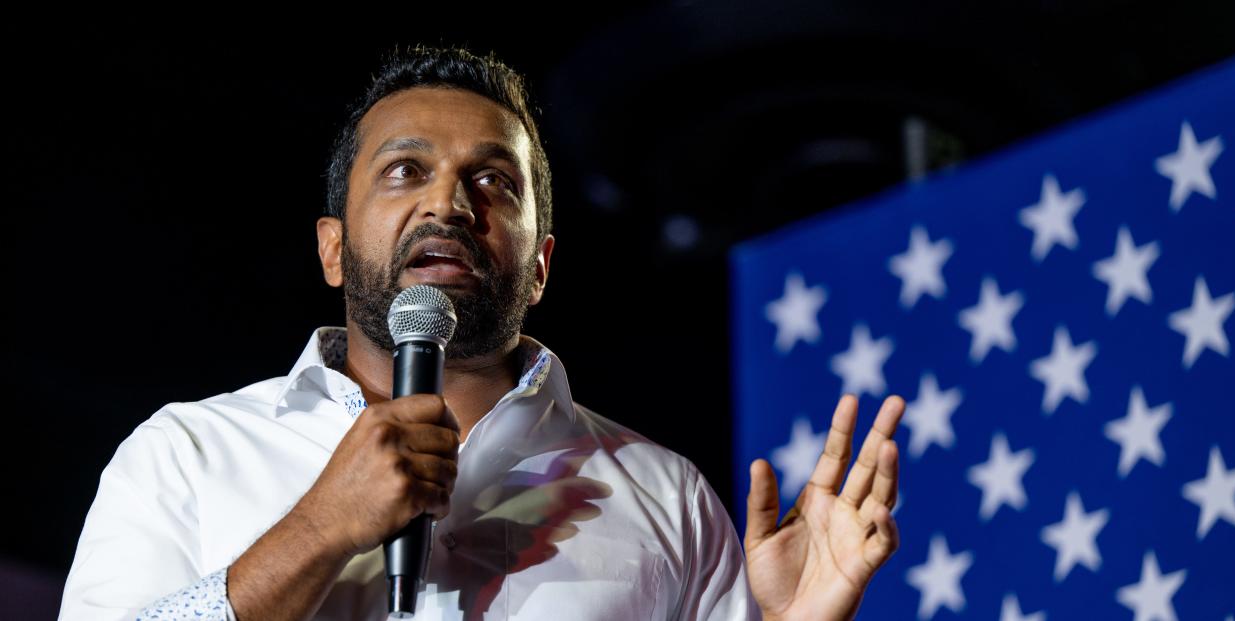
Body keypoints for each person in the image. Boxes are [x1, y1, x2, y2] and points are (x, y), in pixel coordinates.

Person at [58, 44, 906, 621]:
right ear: (330, 247)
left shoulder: (666, 498)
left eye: (492, 180)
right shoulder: (186, 454)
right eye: (405, 170)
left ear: (539, 265)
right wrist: (320, 529)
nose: (448, 204)